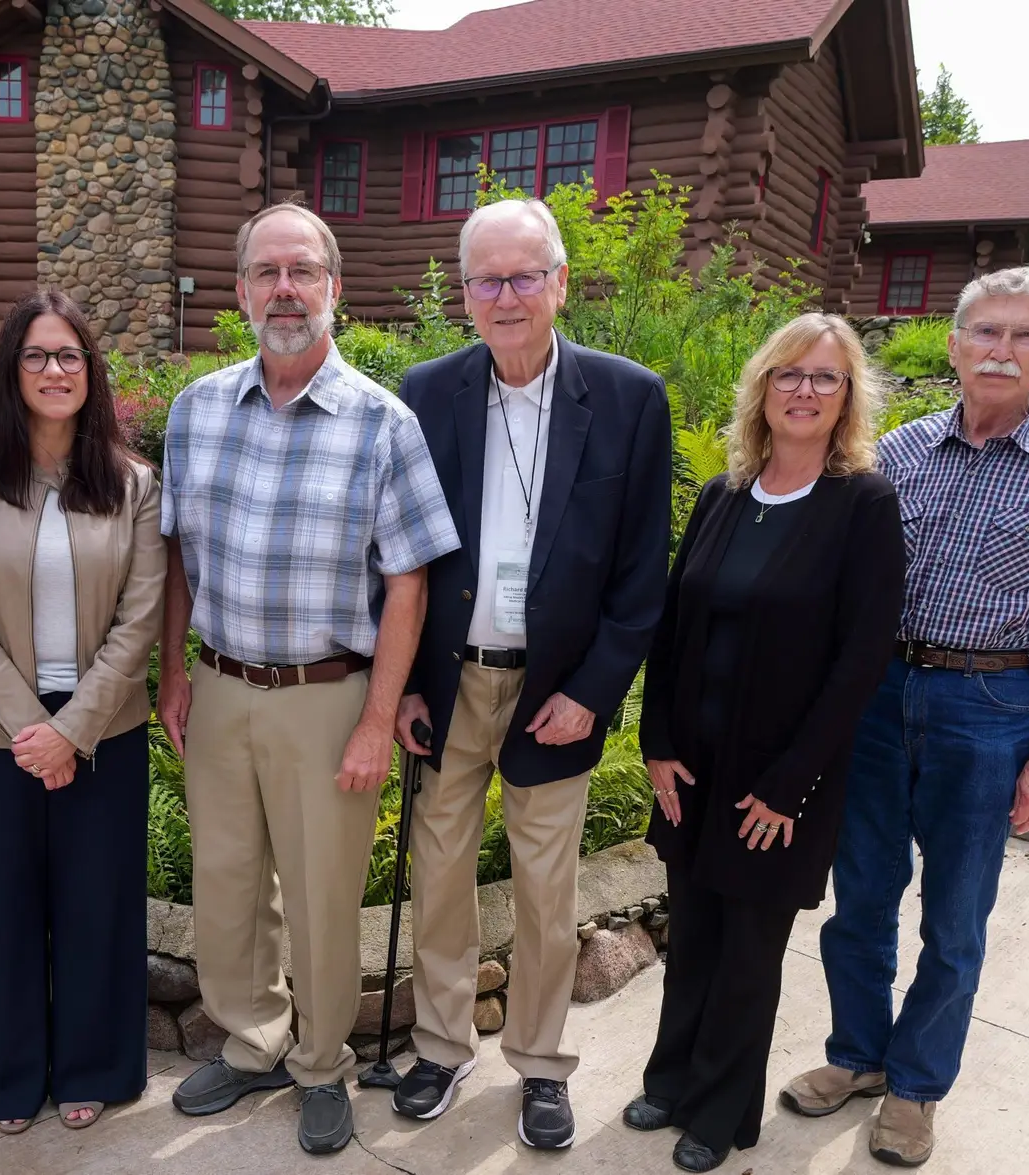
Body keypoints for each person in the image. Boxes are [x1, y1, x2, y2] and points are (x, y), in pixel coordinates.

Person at [781, 266, 1029, 1168]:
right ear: (953, 344)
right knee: (858, 899)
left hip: (992, 704)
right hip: (880, 692)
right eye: (986, 331)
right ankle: (858, 1056)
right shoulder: (897, 451)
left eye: (1024, 335)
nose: (1002, 349)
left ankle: (916, 1086)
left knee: (956, 917)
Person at [158, 202, 460, 1157]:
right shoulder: (197, 407)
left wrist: (377, 718)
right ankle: (250, 1040)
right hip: (219, 686)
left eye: (302, 271)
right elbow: (173, 557)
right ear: (241, 290)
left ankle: (321, 1063)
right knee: (229, 882)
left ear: (334, 286)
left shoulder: (383, 422)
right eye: (265, 272)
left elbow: (409, 581)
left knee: (326, 893)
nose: (283, 289)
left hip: (330, 695)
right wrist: (173, 669)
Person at [392, 198, 671, 1148]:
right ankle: (440, 1042)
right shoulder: (424, 392)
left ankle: (542, 1062)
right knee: (439, 872)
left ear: (560, 282)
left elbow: (641, 574)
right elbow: (393, 554)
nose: (504, 296)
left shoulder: (629, 397)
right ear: (464, 291)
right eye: (485, 279)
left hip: (557, 690)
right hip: (450, 678)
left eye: (523, 276)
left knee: (547, 890)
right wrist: (403, 685)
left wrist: (592, 692)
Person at [621, 314, 904, 1171]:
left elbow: (861, 660)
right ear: (762, 388)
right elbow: (671, 628)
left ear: (848, 396)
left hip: (780, 779)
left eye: (825, 377)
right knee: (694, 932)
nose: (805, 391)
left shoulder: (862, 504)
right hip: (695, 765)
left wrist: (790, 784)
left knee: (748, 949)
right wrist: (658, 741)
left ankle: (719, 1109)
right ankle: (670, 1078)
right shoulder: (724, 495)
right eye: (789, 374)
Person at [0, 289, 165, 1134]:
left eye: (69, 356)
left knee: (98, 902)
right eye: (37, 356)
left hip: (105, 729)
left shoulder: (133, 482)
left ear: (90, 370)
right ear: (11, 371)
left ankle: (94, 1067)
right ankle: (7, 1077)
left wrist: (73, 728)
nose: (54, 370)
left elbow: (142, 617)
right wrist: (34, 725)